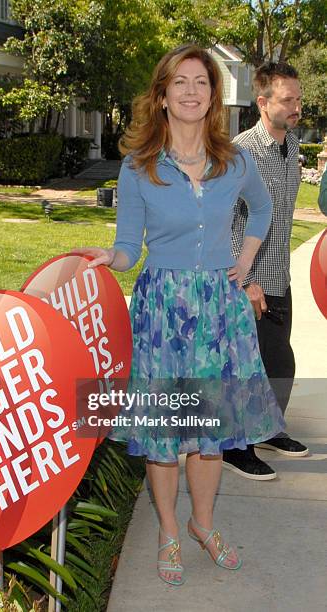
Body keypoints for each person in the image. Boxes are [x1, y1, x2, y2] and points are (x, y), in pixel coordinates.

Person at [75, 44, 285, 586]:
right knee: (166, 435)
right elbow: (128, 246)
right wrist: (110, 259)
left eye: (201, 82)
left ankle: (204, 525)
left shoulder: (234, 161)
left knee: (209, 433)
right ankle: (169, 529)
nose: (191, 91)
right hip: (163, 315)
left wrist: (243, 262)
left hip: (218, 313)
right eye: (180, 82)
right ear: (163, 96)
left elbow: (262, 209)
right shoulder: (138, 167)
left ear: (213, 96)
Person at [223, 62, 309, 481]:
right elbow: (222, 221)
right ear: (262, 102)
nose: (296, 107)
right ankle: (235, 447)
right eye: (287, 100)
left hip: (281, 275)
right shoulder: (240, 152)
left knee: (278, 364)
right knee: (248, 368)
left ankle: (270, 429)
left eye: (298, 98)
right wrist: (245, 280)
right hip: (248, 282)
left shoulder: (292, 146)